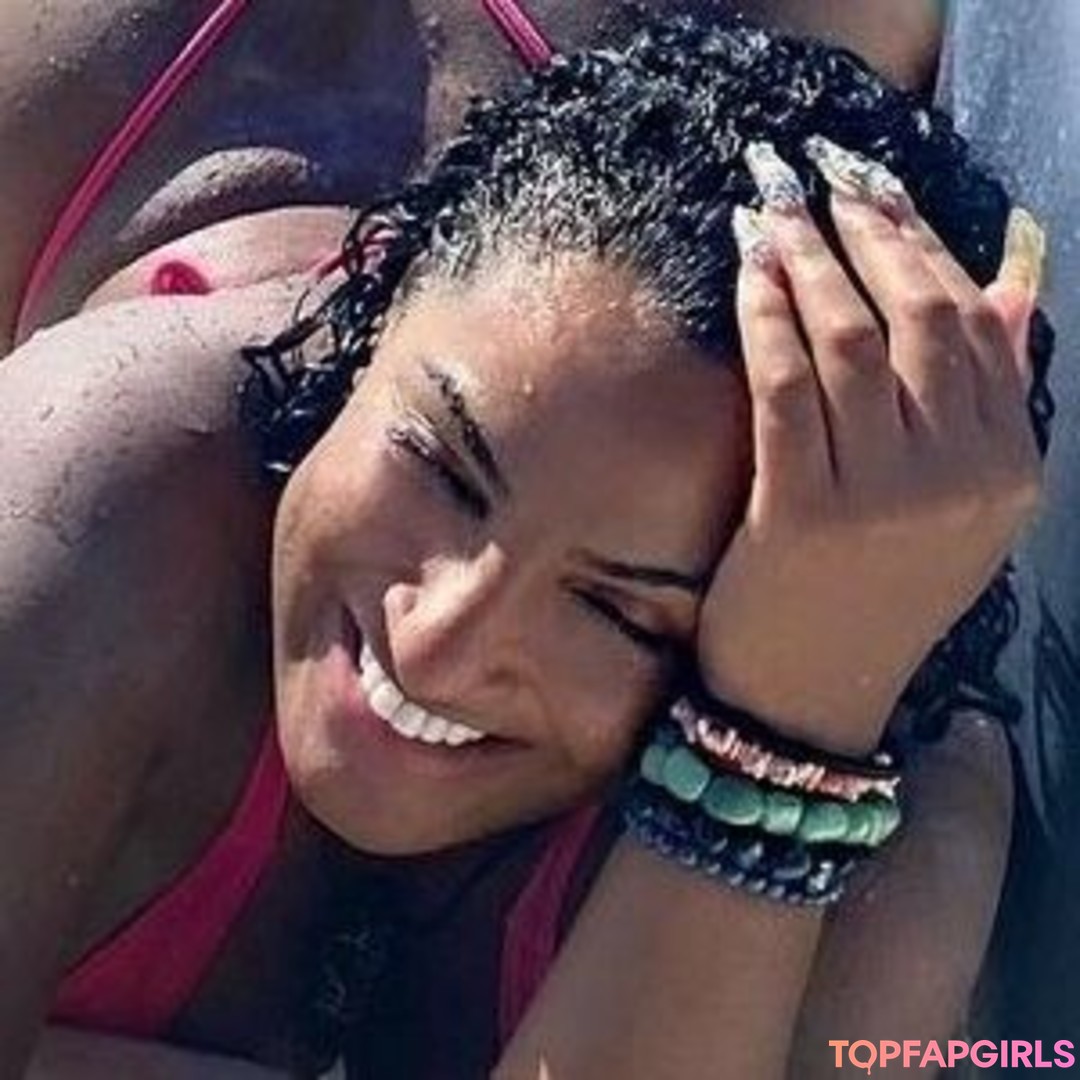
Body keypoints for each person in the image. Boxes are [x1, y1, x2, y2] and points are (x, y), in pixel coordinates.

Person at [0, 12, 1046, 1080]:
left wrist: (780, 747)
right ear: (380, 307)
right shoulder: (98, 487)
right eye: (441, 467)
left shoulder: (901, 837)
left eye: (616, 609)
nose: (436, 643)